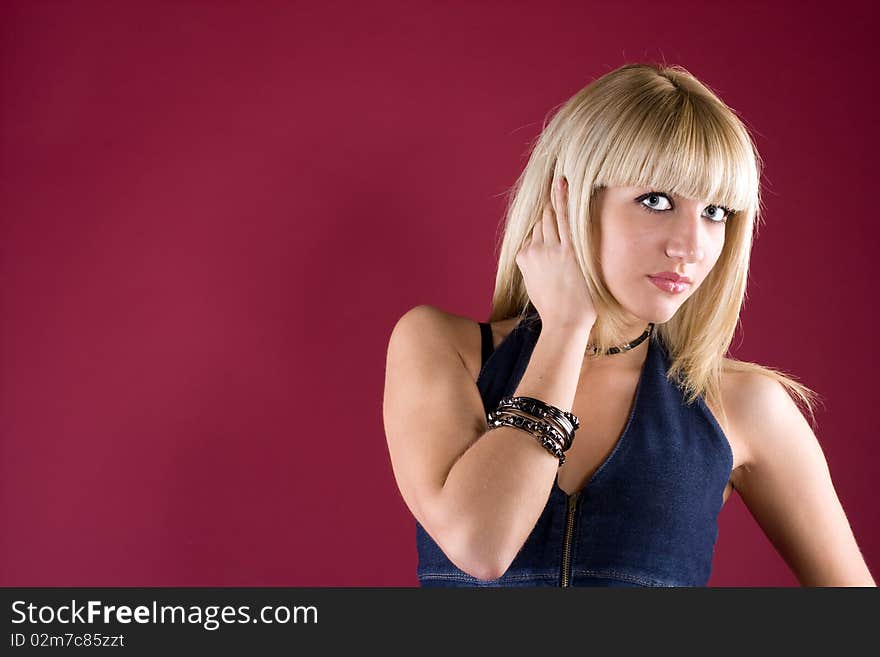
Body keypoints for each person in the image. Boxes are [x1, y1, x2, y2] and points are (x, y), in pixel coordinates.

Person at [382, 63, 876, 587]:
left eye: (716, 212)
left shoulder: (742, 405)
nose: (691, 246)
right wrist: (567, 329)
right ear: (567, 199)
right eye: (655, 201)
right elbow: (481, 545)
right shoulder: (441, 347)